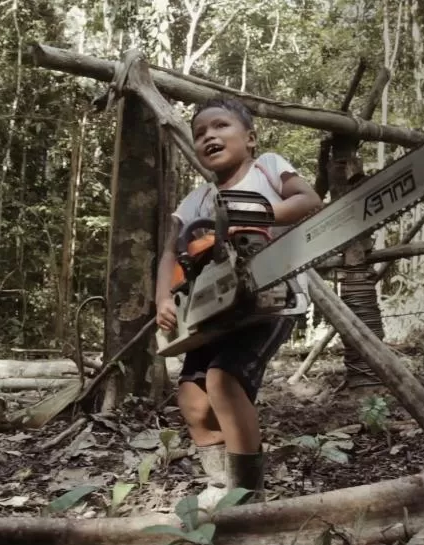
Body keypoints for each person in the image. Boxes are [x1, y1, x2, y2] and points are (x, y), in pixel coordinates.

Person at [154, 97, 322, 507]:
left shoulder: (268, 167)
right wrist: (163, 296)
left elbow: (308, 200)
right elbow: (170, 254)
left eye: (220, 126)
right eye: (200, 133)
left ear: (249, 138)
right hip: (210, 310)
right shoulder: (195, 201)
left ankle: (248, 493)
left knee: (224, 382)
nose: (210, 135)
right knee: (192, 399)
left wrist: (257, 217)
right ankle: (219, 481)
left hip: (271, 299)